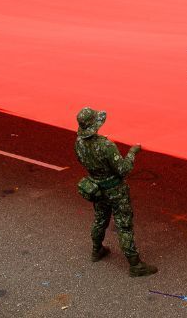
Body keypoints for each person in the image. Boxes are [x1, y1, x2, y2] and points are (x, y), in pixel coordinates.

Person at [74, 107, 158, 277]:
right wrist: (133, 152)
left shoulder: (79, 143)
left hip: (96, 189)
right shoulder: (106, 145)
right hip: (115, 191)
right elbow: (123, 169)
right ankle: (135, 265)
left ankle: (97, 250)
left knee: (100, 219)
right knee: (124, 225)